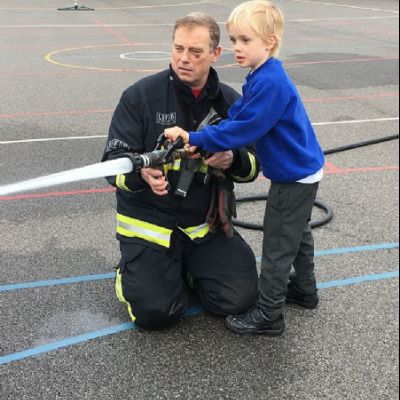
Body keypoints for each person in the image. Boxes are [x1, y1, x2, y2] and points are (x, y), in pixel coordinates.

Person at [165, 0, 325, 336]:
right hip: (302, 170)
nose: (236, 48)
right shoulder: (261, 74)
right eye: (235, 39)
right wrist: (208, 137)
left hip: (293, 176)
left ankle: (269, 315)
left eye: (245, 41)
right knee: (299, 231)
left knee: (279, 241)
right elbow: (238, 116)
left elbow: (245, 129)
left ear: (270, 41)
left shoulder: (270, 82)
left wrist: (197, 136)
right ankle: (306, 290)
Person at [102, 12, 261, 330]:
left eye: (195, 52)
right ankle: (131, 271)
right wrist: (141, 174)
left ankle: (187, 267)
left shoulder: (231, 103)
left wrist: (232, 159)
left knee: (239, 299)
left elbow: (254, 167)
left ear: (215, 54)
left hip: (203, 227)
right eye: (178, 49)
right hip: (150, 227)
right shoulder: (140, 97)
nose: (183, 59)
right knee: (156, 314)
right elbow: (112, 164)